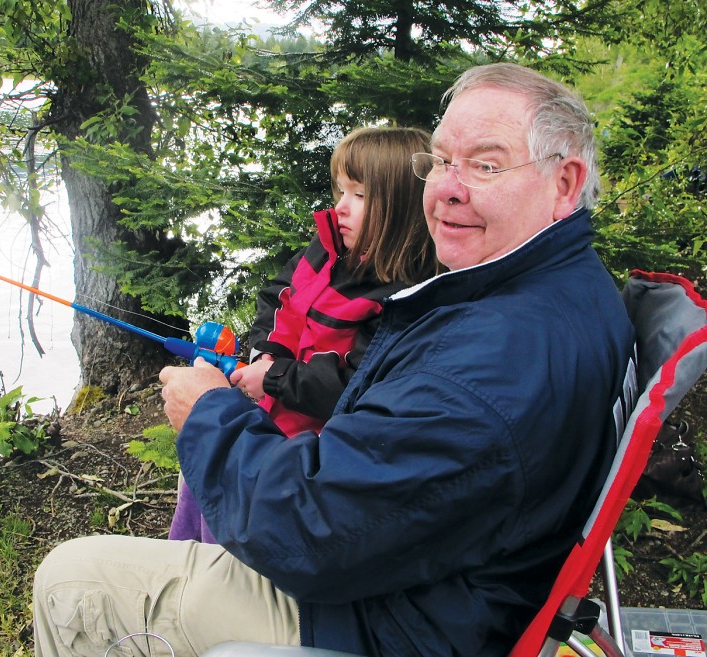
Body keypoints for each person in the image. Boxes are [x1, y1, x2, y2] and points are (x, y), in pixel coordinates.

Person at [32, 63, 637, 657]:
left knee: (70, 578)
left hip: (383, 621)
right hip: (435, 579)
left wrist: (207, 414)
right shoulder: (549, 292)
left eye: (486, 164)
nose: (451, 187)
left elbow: (308, 533)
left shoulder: (497, 361)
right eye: (443, 161)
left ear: (564, 183)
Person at [169, 126, 439, 543]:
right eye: (341, 191)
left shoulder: (402, 297)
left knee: (233, 503)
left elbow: (355, 382)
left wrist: (275, 378)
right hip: (266, 413)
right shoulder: (327, 247)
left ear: (402, 208)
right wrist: (264, 354)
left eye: (360, 195)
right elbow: (278, 299)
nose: (341, 208)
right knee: (203, 459)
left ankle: (220, 579)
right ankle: (184, 557)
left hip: (306, 452)